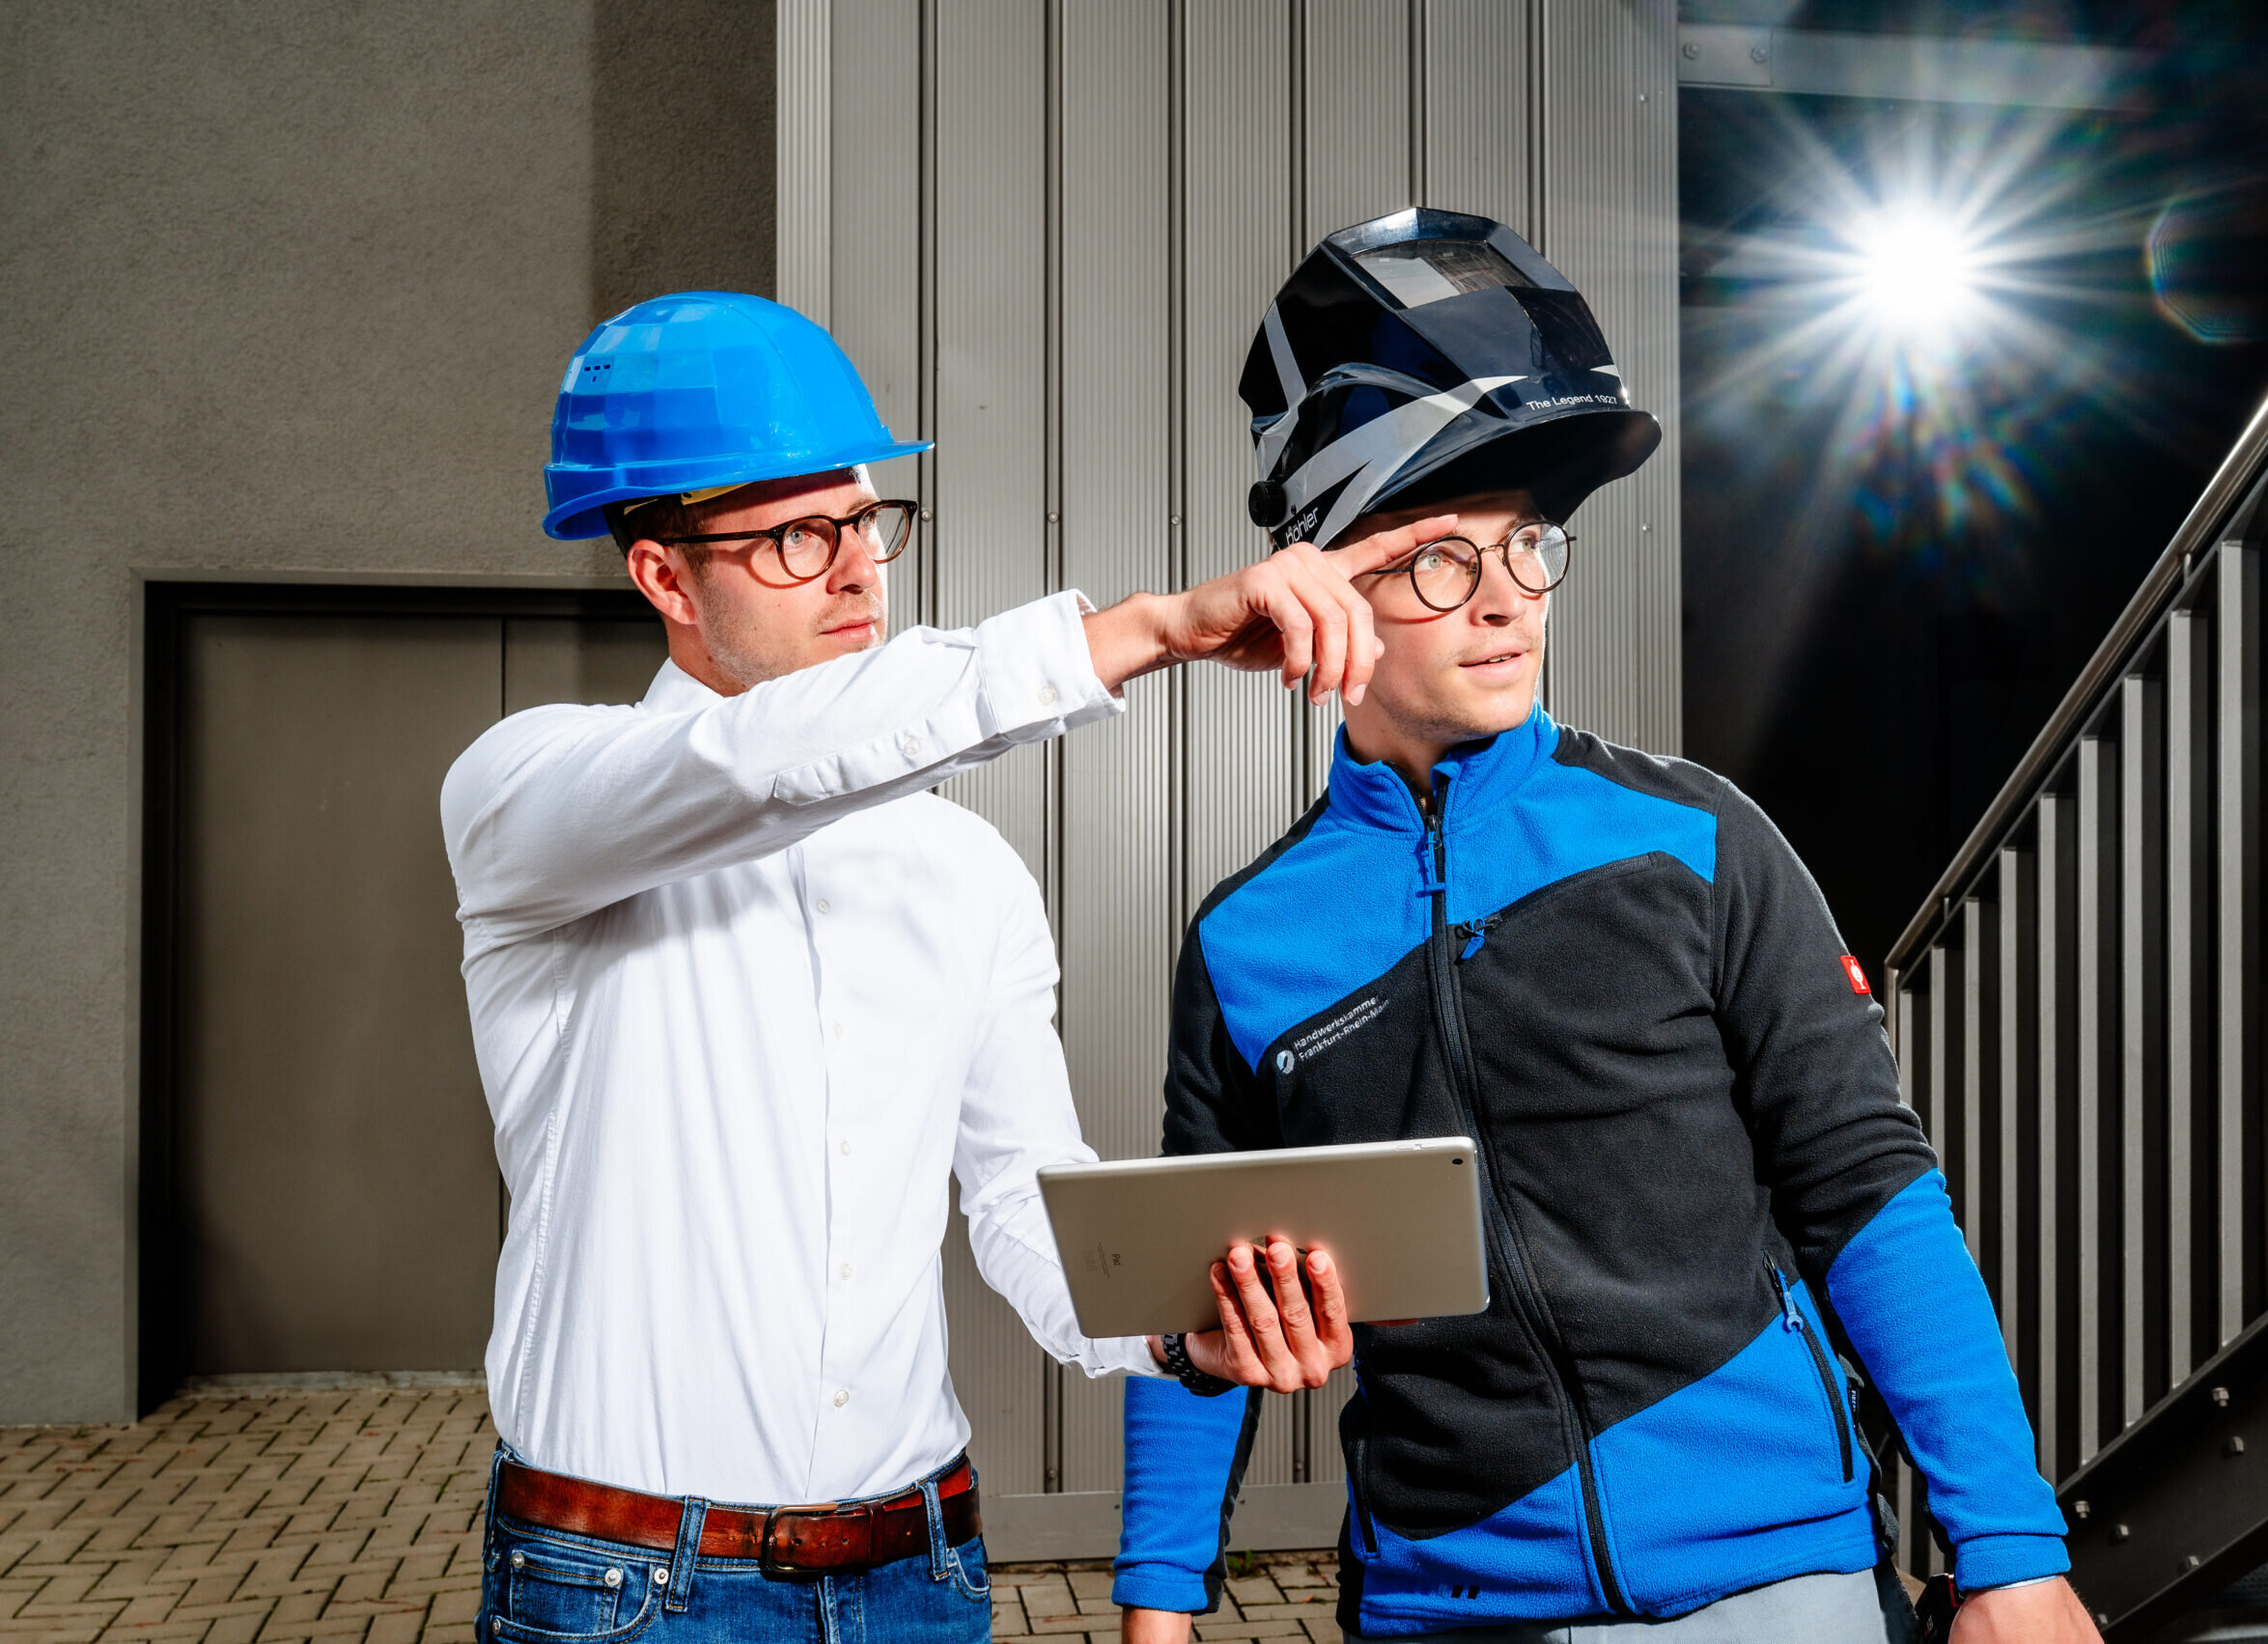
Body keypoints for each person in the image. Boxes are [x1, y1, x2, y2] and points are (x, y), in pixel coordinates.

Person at [1113, 211, 2101, 1644]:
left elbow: (1869, 1193)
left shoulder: (1696, 839)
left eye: (1526, 547)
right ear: (1322, 585)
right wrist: (1153, 1603)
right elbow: (1200, 1284)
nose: (1508, 600)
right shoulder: (1249, 942)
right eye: (1442, 560)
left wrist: (2007, 1545)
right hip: (1445, 1603)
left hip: (1773, 1586)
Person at [444, 292, 1386, 1644]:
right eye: (792, 537)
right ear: (661, 573)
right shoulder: (529, 801)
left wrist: (1180, 1334)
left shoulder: (965, 875)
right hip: (624, 1592)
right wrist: (1152, 628)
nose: (855, 573)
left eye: (866, 521)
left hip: (919, 1572)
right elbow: (758, 761)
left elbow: (1025, 1203)